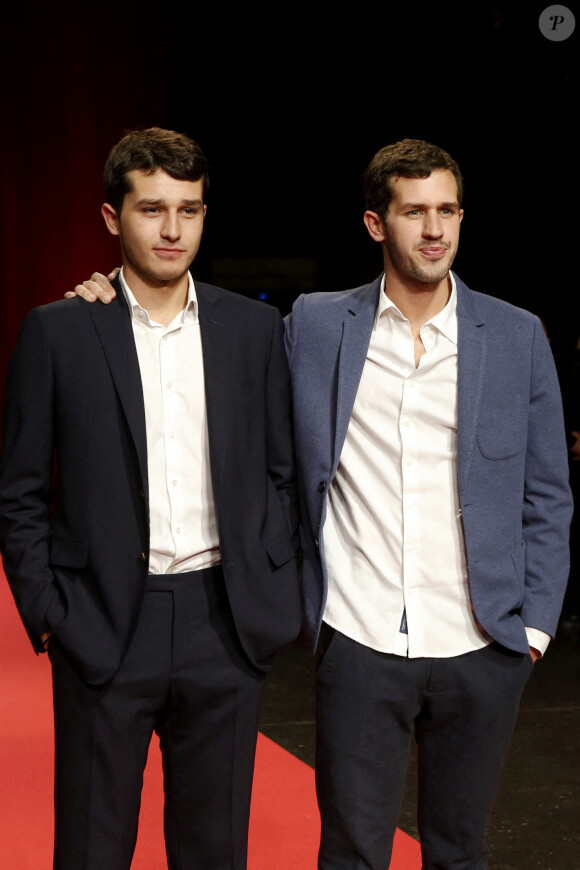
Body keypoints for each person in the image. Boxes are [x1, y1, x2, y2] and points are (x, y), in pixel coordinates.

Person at [71, 138, 573, 869]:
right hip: (358, 635)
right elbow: (197, 335)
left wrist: (533, 627)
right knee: (350, 852)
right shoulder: (313, 327)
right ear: (378, 225)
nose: (434, 230)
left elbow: (548, 493)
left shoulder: (518, 336)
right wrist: (107, 296)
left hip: (483, 643)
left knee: (461, 852)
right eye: (414, 212)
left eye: (447, 212)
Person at [0, 127, 301, 870]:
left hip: (223, 624)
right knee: (92, 848)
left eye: (190, 210)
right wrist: (51, 613)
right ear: (112, 218)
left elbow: (282, 471)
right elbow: (21, 489)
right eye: (152, 209)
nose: (172, 230)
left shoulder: (255, 329)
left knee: (214, 852)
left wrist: (271, 592)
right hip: (102, 623)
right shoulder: (60, 332)